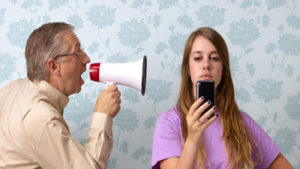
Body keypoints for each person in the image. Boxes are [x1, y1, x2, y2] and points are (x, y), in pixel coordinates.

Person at [151, 27, 294, 169]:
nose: (206, 65)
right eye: (197, 58)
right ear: (188, 68)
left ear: (223, 69)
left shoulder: (239, 122)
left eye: (214, 58)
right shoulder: (169, 122)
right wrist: (193, 140)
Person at [0, 22, 121, 169]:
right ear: (54, 66)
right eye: (77, 53)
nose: (87, 59)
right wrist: (103, 115)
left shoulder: (13, 88)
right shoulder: (42, 119)